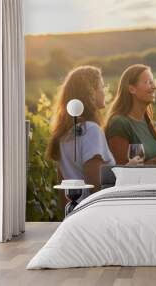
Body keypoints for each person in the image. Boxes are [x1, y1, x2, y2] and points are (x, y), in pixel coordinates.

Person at [46, 66, 141, 198]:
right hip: (94, 212)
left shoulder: (65, 133)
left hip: (76, 212)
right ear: (90, 92)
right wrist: (128, 171)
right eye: (101, 86)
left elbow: (64, 191)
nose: (104, 91)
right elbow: (96, 187)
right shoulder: (90, 130)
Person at [104, 64, 156, 165]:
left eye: (153, 82)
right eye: (148, 82)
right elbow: (120, 171)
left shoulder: (149, 122)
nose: (155, 87)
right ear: (132, 89)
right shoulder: (119, 123)